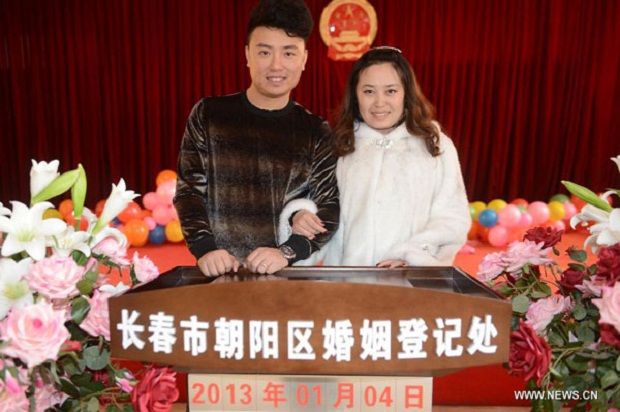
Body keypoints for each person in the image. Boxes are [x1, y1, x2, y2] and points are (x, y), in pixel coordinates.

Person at [173, 0, 339, 278]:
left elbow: (329, 207)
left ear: (304, 59)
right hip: (219, 273)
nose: (276, 65)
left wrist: (287, 252)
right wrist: (205, 248)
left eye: (288, 53)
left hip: (285, 278)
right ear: (247, 55)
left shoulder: (316, 131)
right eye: (264, 52)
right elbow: (189, 192)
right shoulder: (210, 114)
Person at [288, 47, 471, 273]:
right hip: (348, 283)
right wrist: (301, 215)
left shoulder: (435, 146)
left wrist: (412, 257)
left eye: (390, 91)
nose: (379, 102)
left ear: (406, 93)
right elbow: (321, 207)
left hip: (410, 283)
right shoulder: (339, 146)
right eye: (369, 91)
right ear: (355, 96)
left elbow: (452, 218)